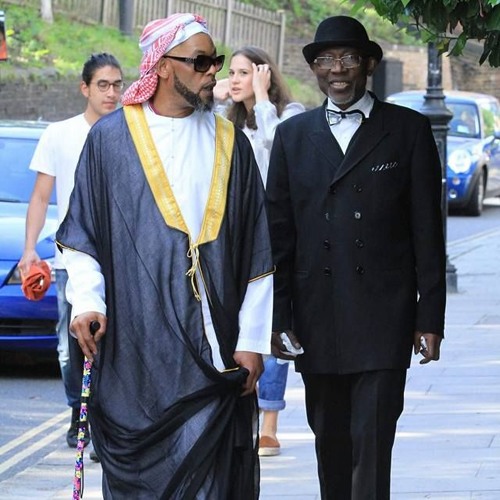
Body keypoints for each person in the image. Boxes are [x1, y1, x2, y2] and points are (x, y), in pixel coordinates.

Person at [56, 13, 274, 499]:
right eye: (201, 61)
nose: (213, 71)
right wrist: (87, 302)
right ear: (163, 67)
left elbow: (257, 249)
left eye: (215, 61)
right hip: (136, 347)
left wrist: (252, 339)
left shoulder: (231, 143)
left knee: (209, 479)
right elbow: (83, 234)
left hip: (213, 349)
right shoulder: (110, 140)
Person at [266, 16, 447, 499]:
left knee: (373, 443)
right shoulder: (292, 136)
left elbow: (428, 233)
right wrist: (278, 318)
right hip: (317, 316)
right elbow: (279, 236)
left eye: (348, 57)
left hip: (383, 316)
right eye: (325, 60)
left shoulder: (407, 130)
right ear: (314, 69)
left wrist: (430, 317)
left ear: (368, 64)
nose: (337, 69)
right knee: (330, 444)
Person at [19, 53, 123, 450]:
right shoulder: (59, 134)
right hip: (70, 260)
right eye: (103, 85)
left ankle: (103, 420)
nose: (111, 93)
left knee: (115, 346)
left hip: (119, 261)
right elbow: (40, 196)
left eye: (117, 85)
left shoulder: (130, 133)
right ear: (85, 88)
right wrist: (30, 249)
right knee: (70, 347)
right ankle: (78, 412)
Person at [215, 46, 305, 457]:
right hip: (235, 234)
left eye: (243, 72)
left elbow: (280, 150)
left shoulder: (289, 114)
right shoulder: (226, 120)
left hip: (278, 235)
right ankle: (243, 413)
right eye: (231, 73)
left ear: (264, 74)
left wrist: (264, 100)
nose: (234, 80)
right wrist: (210, 100)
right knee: (239, 324)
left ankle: (269, 421)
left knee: (272, 324)